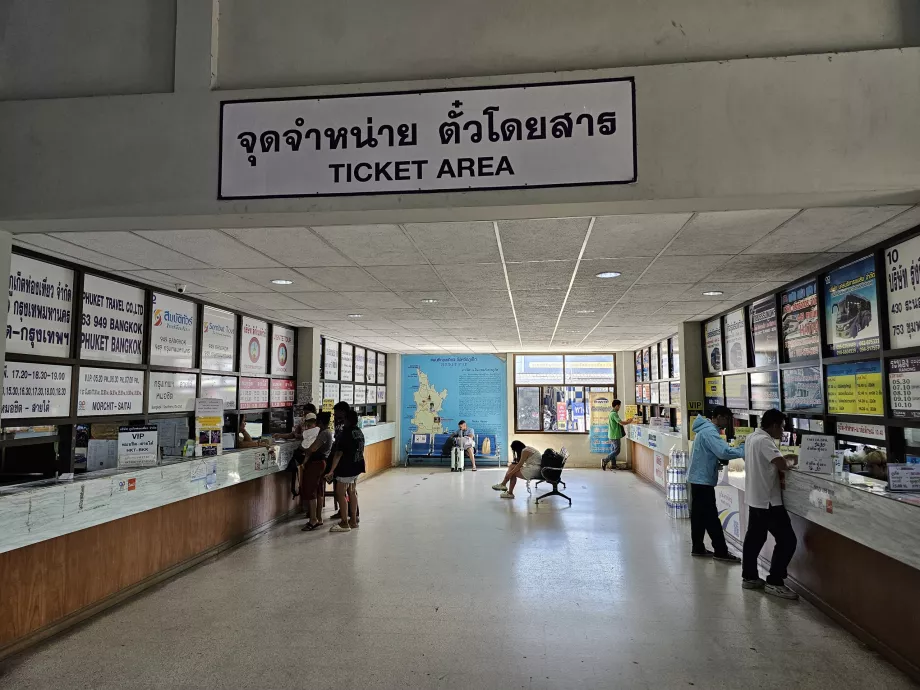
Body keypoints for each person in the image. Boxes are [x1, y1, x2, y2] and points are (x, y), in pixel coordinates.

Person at [741, 409, 799, 600]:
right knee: (788, 540)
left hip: (755, 497)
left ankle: (749, 577)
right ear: (774, 425)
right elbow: (781, 464)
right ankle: (775, 581)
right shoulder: (764, 441)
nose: (782, 431)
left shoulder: (751, 438)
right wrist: (792, 459)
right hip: (768, 502)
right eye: (782, 427)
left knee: (754, 539)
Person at [687, 406, 745, 561]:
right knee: (711, 516)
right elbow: (723, 452)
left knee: (699, 517)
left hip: (698, 478)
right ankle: (720, 551)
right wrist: (743, 449)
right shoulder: (710, 432)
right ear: (719, 417)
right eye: (727, 419)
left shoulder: (705, 430)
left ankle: (698, 547)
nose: (727, 423)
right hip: (703, 479)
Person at [325, 409, 366, 532]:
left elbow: (338, 454)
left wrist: (331, 471)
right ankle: (353, 521)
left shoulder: (345, 433)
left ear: (347, 420)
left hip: (346, 467)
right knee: (352, 492)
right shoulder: (358, 432)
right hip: (357, 465)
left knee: (341, 493)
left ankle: (344, 522)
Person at [301, 411, 335, 531]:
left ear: (319, 422)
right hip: (321, 464)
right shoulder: (327, 432)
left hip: (316, 464)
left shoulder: (323, 434)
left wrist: (303, 449)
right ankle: (319, 518)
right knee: (319, 491)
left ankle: (313, 519)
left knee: (311, 491)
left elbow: (312, 449)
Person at [602, 399, 634, 470]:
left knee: (613, 450)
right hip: (615, 435)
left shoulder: (611, 413)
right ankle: (605, 460)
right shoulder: (614, 414)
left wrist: (627, 421)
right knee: (617, 451)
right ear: (616, 406)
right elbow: (621, 423)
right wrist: (629, 422)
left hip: (612, 434)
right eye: (619, 406)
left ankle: (613, 465)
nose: (619, 407)